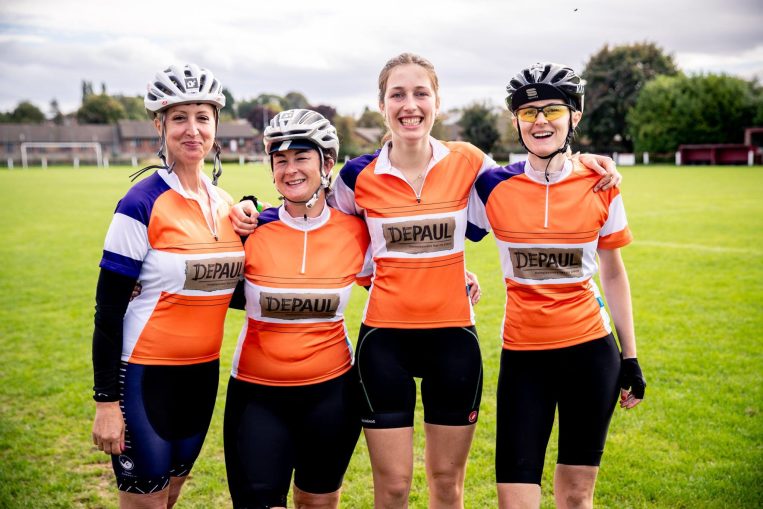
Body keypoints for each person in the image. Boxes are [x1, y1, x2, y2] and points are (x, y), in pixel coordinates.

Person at [230, 53, 620, 509]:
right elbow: (316, 221)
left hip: (453, 341)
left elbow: (534, 174)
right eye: (398, 94)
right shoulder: (357, 175)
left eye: (421, 93)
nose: (409, 104)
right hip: (384, 344)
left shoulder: (470, 162)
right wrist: (251, 208)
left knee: (446, 484)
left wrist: (583, 158)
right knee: (393, 488)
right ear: (382, 105)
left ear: (437, 101)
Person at [468, 62, 646, 509]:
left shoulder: (601, 182)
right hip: (524, 356)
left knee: (575, 495)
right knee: (514, 498)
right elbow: (434, 230)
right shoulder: (492, 184)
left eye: (552, 110)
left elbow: (613, 271)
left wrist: (631, 356)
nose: (541, 121)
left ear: (575, 117)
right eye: (528, 113)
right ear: (516, 122)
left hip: (591, 353)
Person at [91, 63, 244, 509]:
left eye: (202, 116)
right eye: (179, 118)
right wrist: (105, 402)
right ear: (159, 125)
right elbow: (108, 310)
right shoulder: (139, 203)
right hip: (142, 376)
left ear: (215, 124)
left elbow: (228, 290)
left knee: (171, 496)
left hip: (200, 376)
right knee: (145, 503)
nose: (192, 129)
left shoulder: (225, 203)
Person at [223, 109, 372, 509]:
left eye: (301, 157)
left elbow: (401, 272)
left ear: (326, 163)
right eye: (280, 160)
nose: (290, 170)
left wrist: (459, 275)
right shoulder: (250, 229)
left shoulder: (356, 232)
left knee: (317, 503)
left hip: (332, 397)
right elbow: (195, 273)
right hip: (257, 396)